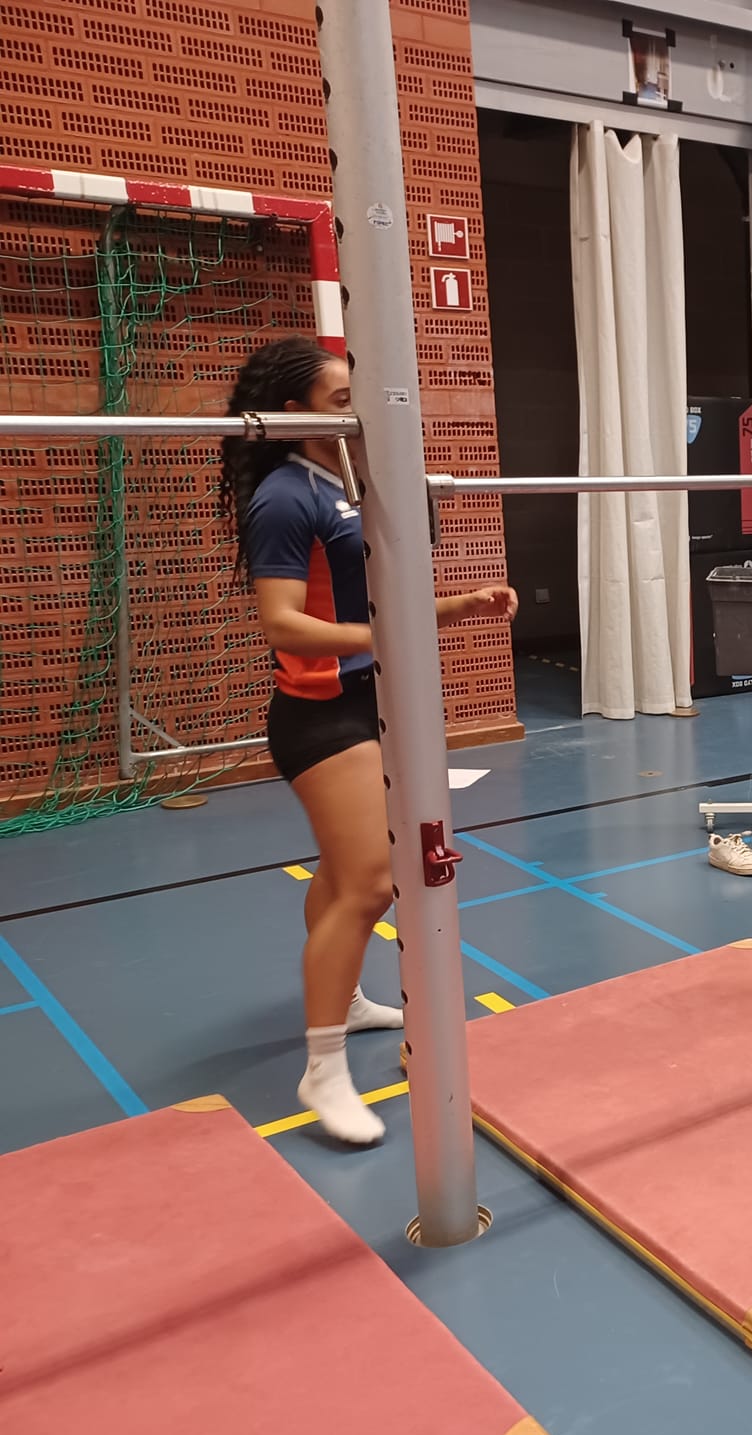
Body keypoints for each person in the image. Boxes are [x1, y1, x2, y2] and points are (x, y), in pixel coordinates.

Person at [222, 336, 517, 1145]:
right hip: (322, 713)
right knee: (372, 885)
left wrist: (459, 606)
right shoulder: (287, 496)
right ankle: (322, 1069)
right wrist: (392, 637)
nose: (357, 414)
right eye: (340, 401)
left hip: (378, 700)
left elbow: (380, 601)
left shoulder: (350, 481)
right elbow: (284, 624)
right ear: (294, 415)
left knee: (342, 869)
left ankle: (345, 1002)